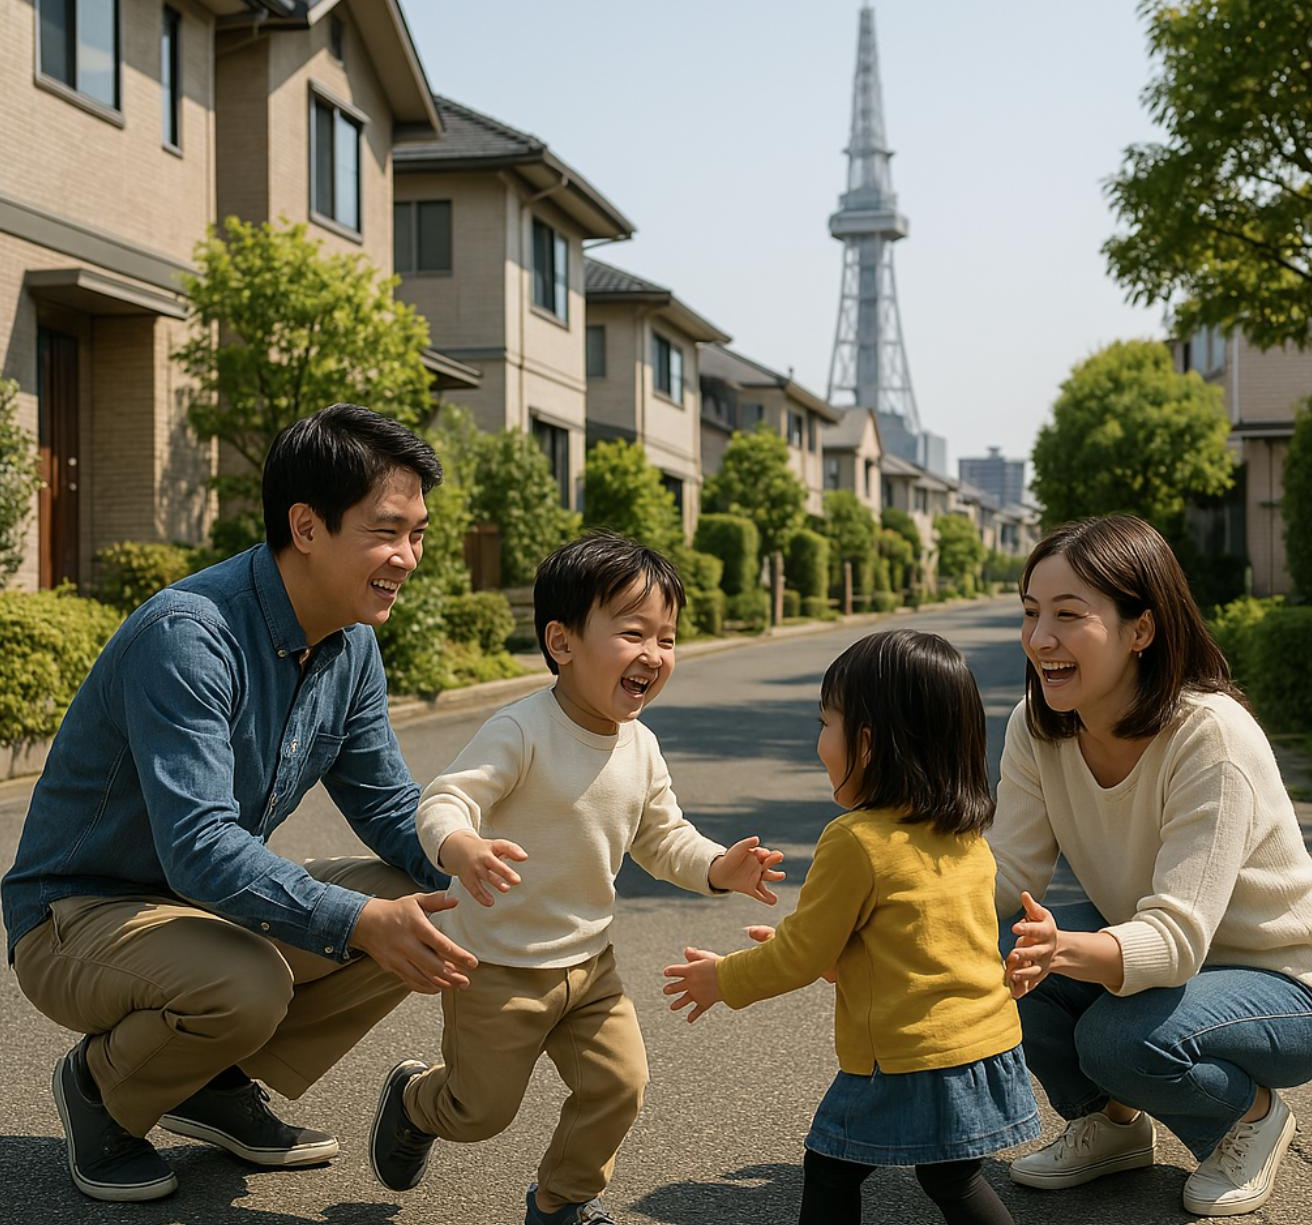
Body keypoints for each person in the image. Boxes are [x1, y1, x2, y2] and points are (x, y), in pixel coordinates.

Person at [2, 403, 477, 1203]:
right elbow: (198, 845)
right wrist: (355, 920)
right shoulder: (189, 635)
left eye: (418, 532)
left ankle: (208, 1079)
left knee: (429, 904)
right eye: (387, 530)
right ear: (306, 525)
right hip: (77, 914)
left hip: (193, 911)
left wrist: (474, 858)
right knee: (253, 977)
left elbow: (389, 802)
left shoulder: (351, 643)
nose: (408, 556)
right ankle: (101, 1090)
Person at [367, 531, 786, 1225]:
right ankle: (416, 1102)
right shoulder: (522, 729)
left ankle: (561, 1200)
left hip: (590, 966)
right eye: (632, 632)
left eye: (668, 637)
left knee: (620, 1084)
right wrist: (463, 843)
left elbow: (662, 836)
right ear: (562, 642)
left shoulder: (642, 744)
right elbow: (444, 798)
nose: (654, 653)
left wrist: (717, 866)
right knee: (480, 1111)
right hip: (499, 966)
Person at [663, 629, 1040, 1225]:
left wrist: (723, 978)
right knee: (952, 1176)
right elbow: (919, 949)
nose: (819, 741)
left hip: (904, 1057)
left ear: (866, 742)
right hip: (981, 1046)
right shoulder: (966, 839)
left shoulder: (855, 841)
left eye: (825, 722)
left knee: (831, 1165)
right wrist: (825, 952)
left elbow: (799, 958)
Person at [994, 514, 1312, 1218]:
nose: (1040, 636)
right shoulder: (1037, 725)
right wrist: (872, 925)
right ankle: (1112, 1125)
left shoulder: (1210, 734)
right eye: (1031, 612)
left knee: (1116, 1037)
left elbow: (1175, 939)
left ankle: (1250, 1118)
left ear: (1141, 629)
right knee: (996, 948)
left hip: (1283, 984)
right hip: (1166, 965)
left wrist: (1064, 949)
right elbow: (999, 877)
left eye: (1069, 615)